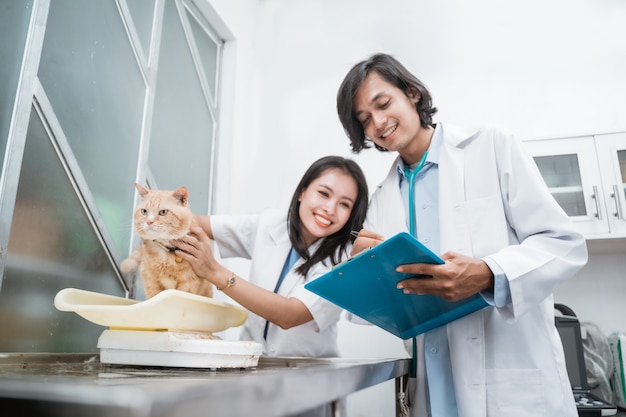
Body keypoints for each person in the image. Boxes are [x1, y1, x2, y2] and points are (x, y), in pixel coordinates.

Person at [336, 52, 588, 417]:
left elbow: (563, 244)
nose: (378, 123)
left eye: (383, 103)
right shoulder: (382, 198)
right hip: (433, 388)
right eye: (365, 119)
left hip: (508, 388)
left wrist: (488, 273)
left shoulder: (490, 147)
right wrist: (365, 272)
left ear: (412, 93)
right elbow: (386, 308)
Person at [172, 155, 369, 417]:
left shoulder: (344, 262)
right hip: (252, 380)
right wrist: (160, 215)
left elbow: (289, 315)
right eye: (323, 193)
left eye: (344, 205)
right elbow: (203, 224)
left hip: (307, 392)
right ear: (302, 192)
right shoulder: (270, 224)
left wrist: (215, 272)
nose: (330, 209)